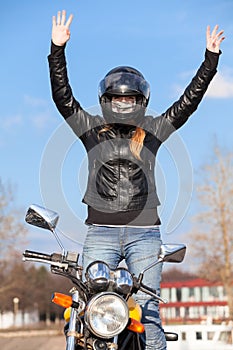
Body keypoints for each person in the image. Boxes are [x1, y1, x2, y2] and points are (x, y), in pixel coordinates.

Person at [48, 10, 225, 350]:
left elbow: (188, 102)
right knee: (84, 308)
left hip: (145, 233)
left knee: (149, 313)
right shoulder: (91, 130)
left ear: (141, 100)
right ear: (107, 100)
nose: (124, 102)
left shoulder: (153, 131)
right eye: (118, 98)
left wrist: (210, 58)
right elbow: (62, 97)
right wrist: (57, 49)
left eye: (130, 98)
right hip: (100, 230)